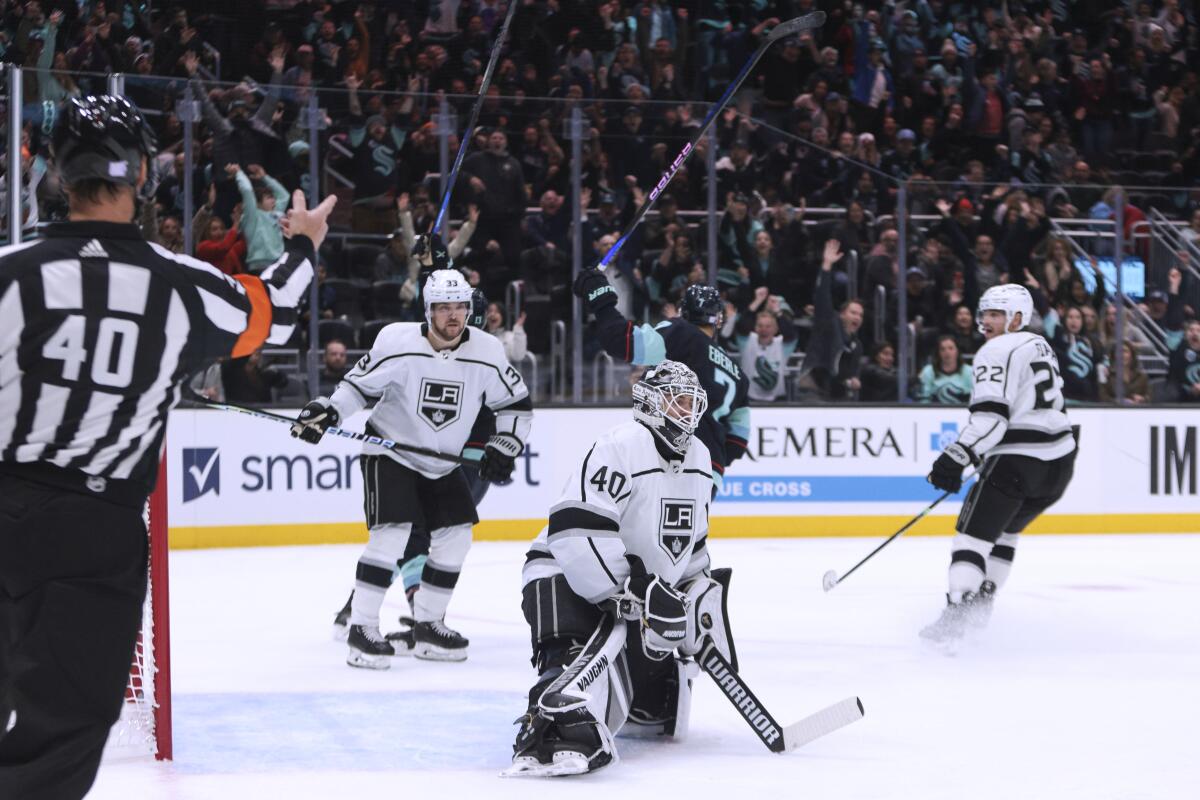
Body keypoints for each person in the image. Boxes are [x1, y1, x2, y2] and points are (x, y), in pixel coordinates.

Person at [0, 95, 331, 800]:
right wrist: (301, 242)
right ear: (142, 174)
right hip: (93, 534)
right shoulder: (184, 285)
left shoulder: (10, 272)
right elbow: (271, 319)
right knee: (61, 733)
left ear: (57, 172)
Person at [293, 270, 533, 668]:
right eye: (443, 307)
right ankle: (363, 629)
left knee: (456, 535)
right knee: (393, 534)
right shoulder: (396, 341)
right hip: (390, 452)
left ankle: (427, 625)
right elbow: (358, 387)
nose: (453, 315)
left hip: (440, 463)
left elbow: (515, 406)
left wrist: (505, 443)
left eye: (460, 307)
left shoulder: (487, 350)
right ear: (428, 310)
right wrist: (328, 411)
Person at [507, 361, 733, 777]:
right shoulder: (620, 446)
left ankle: (622, 704)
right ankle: (547, 731)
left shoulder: (699, 456)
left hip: (633, 594)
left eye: (691, 402)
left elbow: (691, 546)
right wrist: (629, 589)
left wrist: (699, 607)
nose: (686, 412)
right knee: (573, 659)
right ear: (650, 403)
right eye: (676, 401)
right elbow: (574, 527)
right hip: (565, 574)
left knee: (658, 705)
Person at [922, 284, 1077, 643]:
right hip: (1060, 466)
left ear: (1017, 318)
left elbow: (992, 419)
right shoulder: (1041, 344)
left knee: (970, 539)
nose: (986, 321)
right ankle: (981, 606)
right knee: (1006, 533)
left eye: (996, 314)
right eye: (985, 314)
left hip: (1018, 464)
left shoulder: (995, 350)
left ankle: (955, 620)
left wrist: (956, 456)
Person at [573, 271, 750, 491]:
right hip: (709, 472)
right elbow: (738, 441)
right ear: (719, 320)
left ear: (683, 312)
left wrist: (600, 294)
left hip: (667, 455)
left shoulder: (680, 332)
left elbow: (621, 340)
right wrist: (712, 453)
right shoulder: (739, 374)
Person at [798, 240, 865, 400]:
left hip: (836, 395)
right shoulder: (828, 322)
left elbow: (851, 375)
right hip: (813, 389)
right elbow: (822, 296)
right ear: (842, 314)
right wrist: (826, 265)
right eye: (853, 312)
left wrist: (854, 381)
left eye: (860, 315)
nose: (857, 317)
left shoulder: (856, 346)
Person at [734, 287, 799, 402]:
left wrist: (777, 311)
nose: (764, 329)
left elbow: (790, 334)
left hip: (777, 400)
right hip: (749, 399)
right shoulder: (747, 341)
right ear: (755, 328)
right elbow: (742, 326)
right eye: (760, 325)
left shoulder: (782, 345)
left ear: (776, 328)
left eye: (768, 326)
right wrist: (757, 301)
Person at [915, 336, 973, 404]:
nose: (947, 352)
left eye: (951, 348)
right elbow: (924, 400)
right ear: (938, 353)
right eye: (942, 349)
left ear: (957, 351)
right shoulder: (928, 371)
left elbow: (974, 398)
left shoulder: (969, 371)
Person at [1167, 319, 1200, 403]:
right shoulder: (1179, 350)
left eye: (1198, 331)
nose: (1195, 333)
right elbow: (1175, 375)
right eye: (1191, 330)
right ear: (1185, 334)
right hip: (1183, 393)